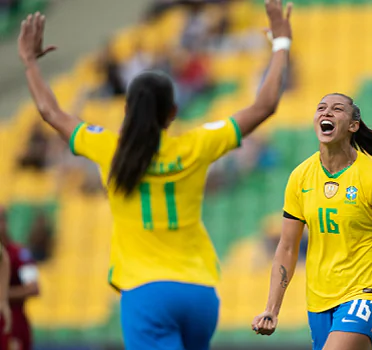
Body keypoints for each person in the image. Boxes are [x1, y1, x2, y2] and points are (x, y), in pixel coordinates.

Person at [17, 1, 292, 349]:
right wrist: (281, 42)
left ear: (127, 109)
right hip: (199, 294)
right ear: (173, 112)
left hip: (145, 295)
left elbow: (50, 111)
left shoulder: (108, 148)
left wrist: (29, 62)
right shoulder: (196, 144)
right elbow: (264, 106)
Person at [252, 94, 372, 350]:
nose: (326, 113)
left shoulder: (371, 180)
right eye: (321, 108)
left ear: (353, 125)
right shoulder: (300, 177)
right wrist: (272, 308)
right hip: (319, 299)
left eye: (337, 109)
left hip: (367, 292)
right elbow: (287, 247)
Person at [0, 208, 40, 350]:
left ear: (4, 223)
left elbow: (33, 288)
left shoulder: (20, 254)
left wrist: (4, 295)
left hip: (13, 323)